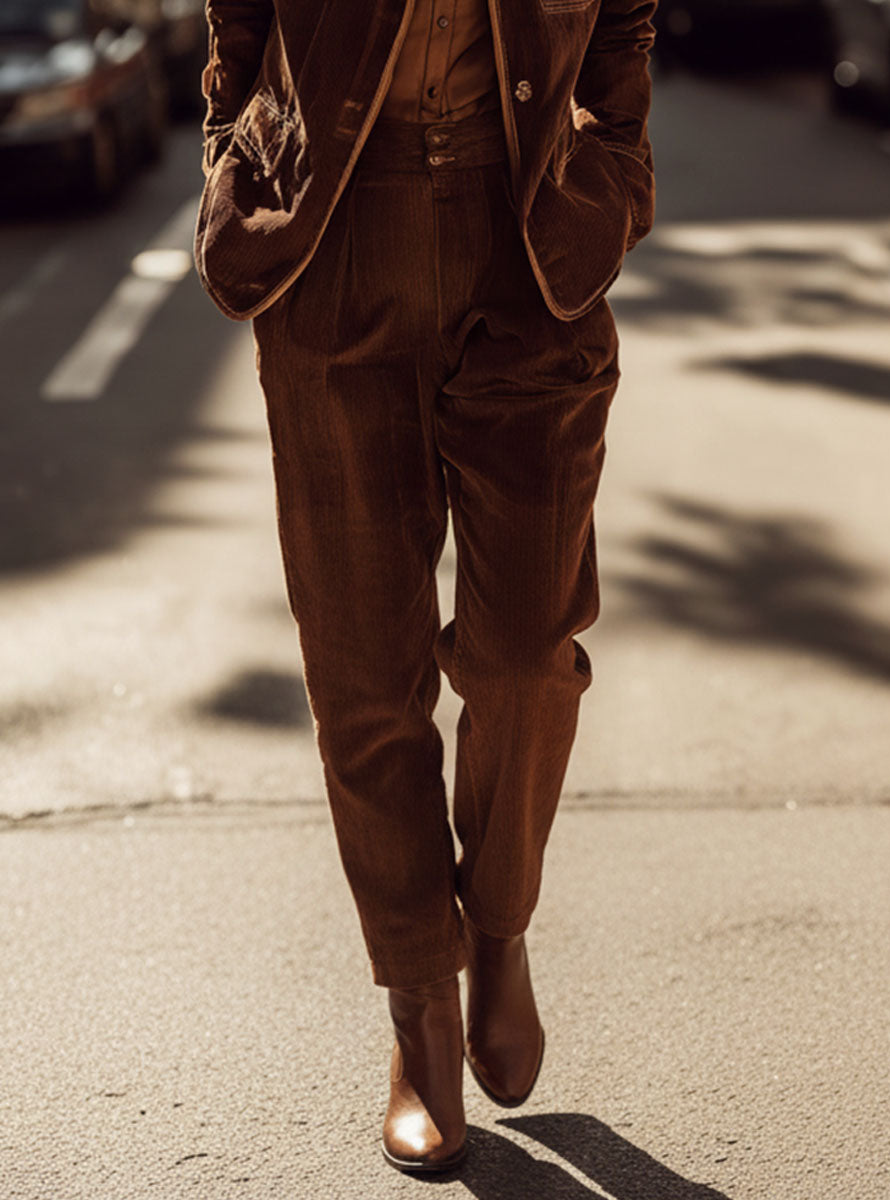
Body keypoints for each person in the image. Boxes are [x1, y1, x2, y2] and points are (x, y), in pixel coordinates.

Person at [195, 0, 656, 1174]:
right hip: (336, 235)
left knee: (526, 651)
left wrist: (615, 160)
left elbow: (625, 22)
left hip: (529, 237)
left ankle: (498, 920)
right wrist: (230, 147)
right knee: (363, 670)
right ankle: (422, 1007)